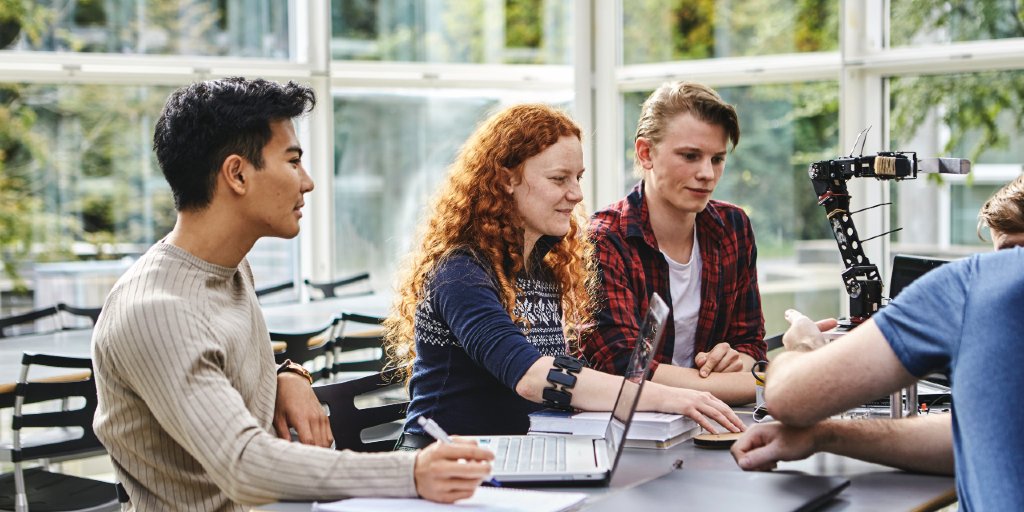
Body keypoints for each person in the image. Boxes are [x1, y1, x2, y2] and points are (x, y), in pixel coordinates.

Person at [91, 77, 494, 511]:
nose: (308, 183)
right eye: (293, 161)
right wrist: (412, 472)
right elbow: (244, 464)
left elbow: (220, 359)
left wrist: (287, 373)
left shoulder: (229, 268)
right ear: (237, 174)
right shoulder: (156, 311)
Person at [383, 104, 746, 446]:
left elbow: (567, 376)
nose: (575, 194)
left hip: (516, 456)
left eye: (578, 177)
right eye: (559, 179)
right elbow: (532, 377)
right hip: (441, 465)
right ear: (507, 179)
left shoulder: (543, 265)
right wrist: (668, 398)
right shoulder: (460, 272)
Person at [730, 174, 1024, 509]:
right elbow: (974, 441)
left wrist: (805, 348)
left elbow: (787, 398)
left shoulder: (980, 282)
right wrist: (824, 435)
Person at [585, 81, 762, 404]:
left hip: (715, 425)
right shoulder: (604, 238)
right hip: (630, 432)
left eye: (717, 159)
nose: (707, 173)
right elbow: (624, 368)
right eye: (690, 156)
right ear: (645, 153)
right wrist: (765, 382)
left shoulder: (733, 228)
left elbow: (751, 343)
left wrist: (734, 359)